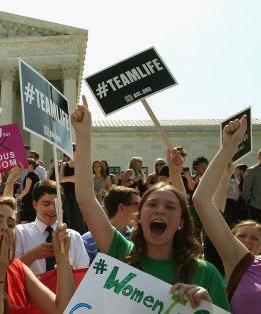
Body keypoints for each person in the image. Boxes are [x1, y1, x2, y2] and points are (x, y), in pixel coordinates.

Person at [72, 96, 230, 311]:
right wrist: (83, 134)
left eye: (170, 207)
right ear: (140, 216)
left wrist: (209, 306)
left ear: (181, 222)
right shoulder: (120, 252)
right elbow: (86, 199)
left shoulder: (205, 273)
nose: (160, 210)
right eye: (152, 204)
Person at [192, 115, 260, 313]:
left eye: (255, 238)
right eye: (243, 236)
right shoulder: (246, 264)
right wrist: (228, 147)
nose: (247, 241)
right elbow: (203, 200)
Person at [0, 197, 75, 313]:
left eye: (11, 224)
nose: (5, 228)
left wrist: (62, 256)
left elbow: (63, 310)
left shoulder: (18, 268)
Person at [11, 179, 89, 274]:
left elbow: (83, 272)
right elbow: (10, 271)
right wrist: (33, 255)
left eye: (57, 204)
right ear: (35, 204)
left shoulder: (73, 236)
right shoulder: (20, 232)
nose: (52, 209)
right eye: (46, 204)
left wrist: (70, 271)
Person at [82, 186, 140, 264]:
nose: (141, 209)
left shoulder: (139, 238)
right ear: (122, 207)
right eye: (137, 205)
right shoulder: (88, 240)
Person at [17, 159, 40, 223]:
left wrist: (17, 198)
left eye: (26, 164)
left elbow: (26, 189)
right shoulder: (35, 175)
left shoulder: (30, 175)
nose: (24, 165)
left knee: (24, 221)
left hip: (28, 201)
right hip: (33, 200)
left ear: (31, 165)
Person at [243, 148, 261, 223]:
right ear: (259, 157)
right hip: (255, 206)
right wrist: (249, 200)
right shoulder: (252, 170)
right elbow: (246, 188)